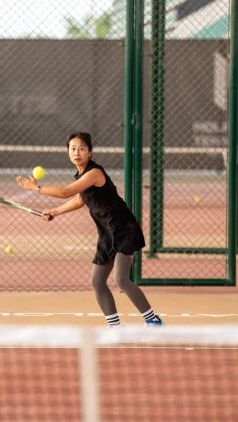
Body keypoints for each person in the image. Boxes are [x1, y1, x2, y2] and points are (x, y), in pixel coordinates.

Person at [16, 132, 164, 328]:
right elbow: (79, 199)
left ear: (90, 153)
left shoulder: (94, 173)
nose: (77, 152)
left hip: (124, 229)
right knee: (97, 281)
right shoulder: (81, 176)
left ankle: (153, 320)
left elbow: (66, 192)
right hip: (107, 233)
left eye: (81, 148)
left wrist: (36, 188)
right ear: (68, 152)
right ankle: (115, 327)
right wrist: (55, 212)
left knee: (121, 279)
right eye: (73, 149)